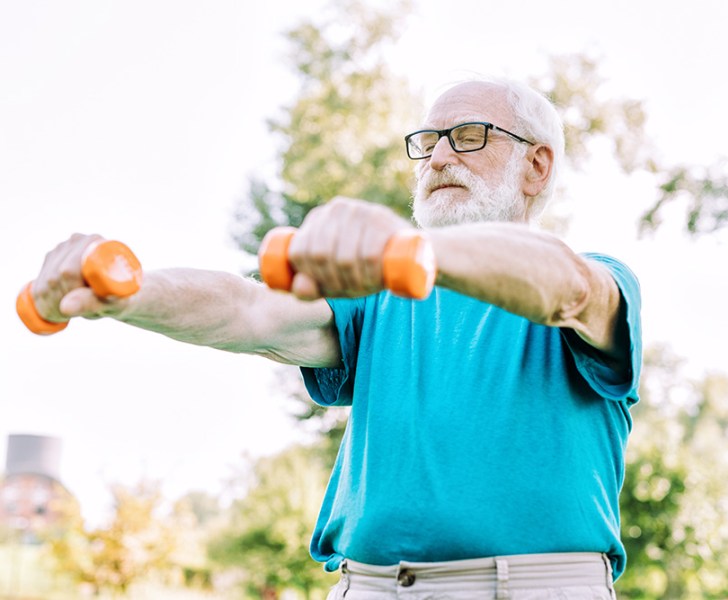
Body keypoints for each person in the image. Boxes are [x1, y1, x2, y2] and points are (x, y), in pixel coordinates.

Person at [29, 77, 641, 599]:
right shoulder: (383, 297)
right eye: (428, 141)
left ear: (537, 166)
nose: (438, 157)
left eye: (468, 135)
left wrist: (414, 250)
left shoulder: (595, 280)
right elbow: (248, 309)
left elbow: (566, 285)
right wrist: (127, 292)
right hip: (366, 585)